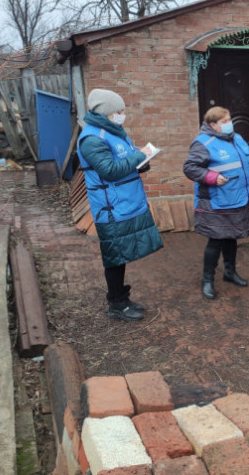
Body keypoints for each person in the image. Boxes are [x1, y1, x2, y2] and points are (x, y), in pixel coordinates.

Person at [76, 88, 164, 321]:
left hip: (127, 203)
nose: (122, 114)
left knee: (122, 254)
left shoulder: (114, 132)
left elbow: (125, 159)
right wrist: (138, 156)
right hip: (111, 208)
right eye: (119, 111)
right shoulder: (92, 139)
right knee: (115, 256)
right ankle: (116, 304)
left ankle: (122, 298)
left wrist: (142, 161)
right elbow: (110, 171)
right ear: (106, 113)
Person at [183, 106, 249, 300]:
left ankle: (230, 272)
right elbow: (190, 168)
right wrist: (211, 176)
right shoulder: (203, 143)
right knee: (216, 240)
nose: (229, 124)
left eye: (229, 119)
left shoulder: (237, 138)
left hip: (238, 198)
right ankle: (207, 280)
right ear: (213, 125)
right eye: (224, 121)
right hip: (218, 201)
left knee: (231, 236)